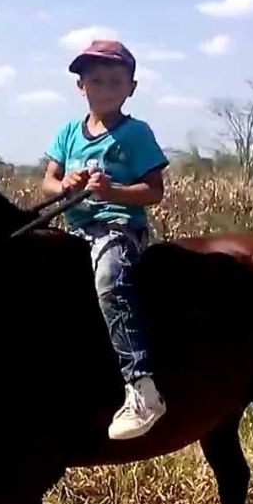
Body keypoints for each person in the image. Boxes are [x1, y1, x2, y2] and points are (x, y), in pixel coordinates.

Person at [41, 39, 169, 440]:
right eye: (96, 80)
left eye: (116, 81)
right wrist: (65, 184)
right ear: (82, 87)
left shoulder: (135, 134)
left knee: (111, 281)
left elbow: (154, 191)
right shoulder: (67, 132)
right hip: (73, 228)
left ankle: (142, 389)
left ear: (131, 87)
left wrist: (112, 192)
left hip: (117, 228)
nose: (106, 88)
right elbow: (47, 182)